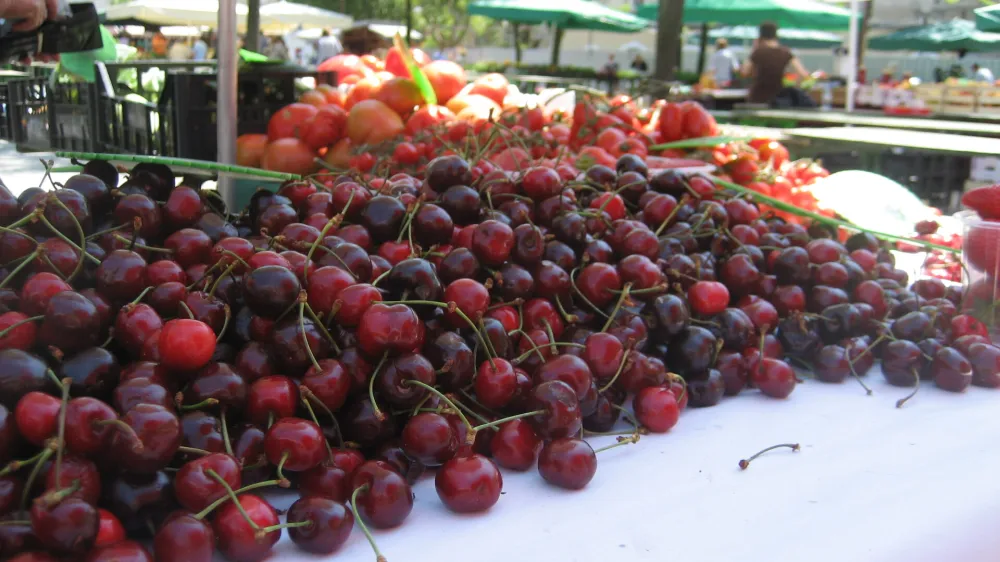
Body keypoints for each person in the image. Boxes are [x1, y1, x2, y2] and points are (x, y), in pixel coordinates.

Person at [742, 21, 810, 106]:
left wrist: (754, 48)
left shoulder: (758, 52)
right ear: (776, 35)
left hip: (757, 98)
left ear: (760, 35)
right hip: (779, 99)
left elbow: (745, 72)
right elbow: (803, 75)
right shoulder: (785, 52)